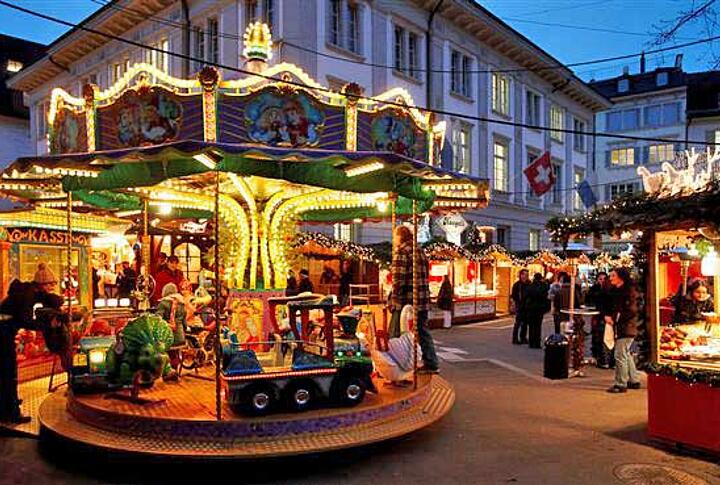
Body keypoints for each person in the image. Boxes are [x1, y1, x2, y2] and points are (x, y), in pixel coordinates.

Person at [0, 263, 64, 423]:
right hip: (3, 332)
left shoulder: (31, 291)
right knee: (8, 372)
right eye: (50, 284)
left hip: (6, 329)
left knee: (7, 370)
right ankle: (11, 412)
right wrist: (46, 325)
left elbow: (52, 299)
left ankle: (7, 402)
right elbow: (26, 320)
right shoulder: (28, 295)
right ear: (42, 284)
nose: (53, 287)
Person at [390, 225, 439, 373]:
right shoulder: (420, 251)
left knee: (397, 333)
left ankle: (399, 364)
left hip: (407, 302)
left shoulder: (402, 252)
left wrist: (393, 300)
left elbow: (398, 280)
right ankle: (431, 362)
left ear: (399, 237)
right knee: (423, 331)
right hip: (422, 300)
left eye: (395, 237)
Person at [606, 267, 641, 393]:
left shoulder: (628, 292)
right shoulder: (618, 290)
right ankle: (634, 380)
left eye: (613, 276)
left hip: (627, 327)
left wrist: (616, 319)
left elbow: (631, 310)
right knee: (625, 353)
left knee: (620, 354)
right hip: (626, 326)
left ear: (621, 277)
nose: (610, 278)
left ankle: (621, 383)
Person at [155, 282, 187, 380]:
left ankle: (167, 371)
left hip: (169, 336)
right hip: (180, 337)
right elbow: (184, 323)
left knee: (159, 347)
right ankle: (174, 370)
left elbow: (158, 320)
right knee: (175, 352)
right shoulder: (181, 304)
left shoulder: (163, 303)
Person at [587, 272, 614, 368]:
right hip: (600, 317)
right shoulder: (595, 289)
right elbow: (589, 300)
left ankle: (605, 360)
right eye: (600, 279)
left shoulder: (609, 290)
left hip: (605, 317)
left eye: (604, 279)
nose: (602, 281)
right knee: (600, 337)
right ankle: (602, 359)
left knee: (606, 338)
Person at [525, 273, 550, 348]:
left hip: (531, 308)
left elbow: (526, 296)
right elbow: (546, 297)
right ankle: (537, 343)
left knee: (531, 325)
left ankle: (531, 342)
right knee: (538, 326)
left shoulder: (530, 286)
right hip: (540, 308)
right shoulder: (544, 286)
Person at [511, 269, 530, 344]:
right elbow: (514, 295)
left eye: (527, 275)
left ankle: (523, 337)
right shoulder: (517, 284)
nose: (526, 276)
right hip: (520, 305)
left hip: (527, 305)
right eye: (525, 275)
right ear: (521, 275)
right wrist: (515, 304)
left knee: (525, 323)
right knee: (518, 322)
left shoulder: (529, 283)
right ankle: (515, 338)